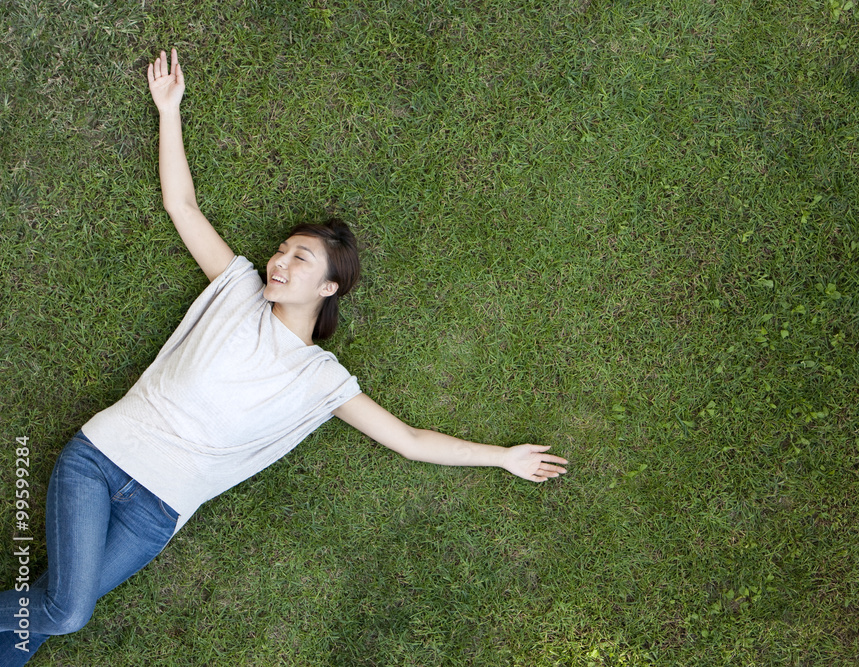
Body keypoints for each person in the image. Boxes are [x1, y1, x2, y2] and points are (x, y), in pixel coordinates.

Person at [0, 48, 568, 666]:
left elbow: (408, 439)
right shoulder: (237, 289)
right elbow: (182, 207)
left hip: (157, 511)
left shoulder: (322, 380)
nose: (279, 261)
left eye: (300, 259)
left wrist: (503, 458)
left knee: (40, 626)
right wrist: (170, 111)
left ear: (328, 288)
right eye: (282, 249)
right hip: (104, 460)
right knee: (68, 611)